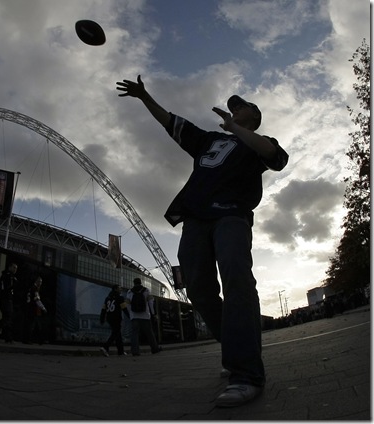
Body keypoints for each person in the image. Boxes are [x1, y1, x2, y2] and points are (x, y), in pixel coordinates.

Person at [116, 75, 289, 407]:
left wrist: (236, 129)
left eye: (242, 107)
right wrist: (144, 96)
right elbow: (173, 124)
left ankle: (246, 372)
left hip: (232, 215)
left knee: (237, 279)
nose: (234, 109)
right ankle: (235, 350)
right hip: (196, 218)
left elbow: (277, 158)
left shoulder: (257, 142)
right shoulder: (209, 140)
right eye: (232, 107)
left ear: (254, 117)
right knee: (198, 288)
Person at [125, 278, 161, 356]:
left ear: (134, 283)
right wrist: (153, 313)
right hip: (145, 316)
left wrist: (130, 314)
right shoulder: (146, 290)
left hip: (134, 316)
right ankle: (154, 349)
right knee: (149, 333)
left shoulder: (130, 292)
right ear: (141, 282)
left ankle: (135, 351)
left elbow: (127, 305)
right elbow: (151, 303)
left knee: (134, 334)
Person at [0, 263, 18, 343]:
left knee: (7, 318)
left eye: (16, 268)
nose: (15, 269)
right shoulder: (8, 276)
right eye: (14, 267)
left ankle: (8, 338)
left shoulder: (6, 276)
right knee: (7, 317)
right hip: (6, 299)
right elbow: (7, 288)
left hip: (5, 299)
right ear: (10, 267)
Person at [99, 284, 129, 356]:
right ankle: (105, 347)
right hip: (116, 317)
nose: (121, 289)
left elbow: (103, 309)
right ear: (115, 289)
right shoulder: (120, 298)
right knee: (115, 333)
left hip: (109, 318)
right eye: (119, 288)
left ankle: (120, 351)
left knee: (118, 334)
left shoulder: (107, 298)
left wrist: (102, 319)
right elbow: (124, 308)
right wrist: (130, 316)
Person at [25, 276, 48, 345]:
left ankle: (38, 340)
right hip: (34, 310)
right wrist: (43, 308)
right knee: (34, 325)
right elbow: (37, 300)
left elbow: (28, 299)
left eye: (41, 282)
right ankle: (33, 340)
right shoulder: (35, 289)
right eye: (39, 281)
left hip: (32, 309)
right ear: (36, 281)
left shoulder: (32, 288)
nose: (40, 283)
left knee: (35, 325)